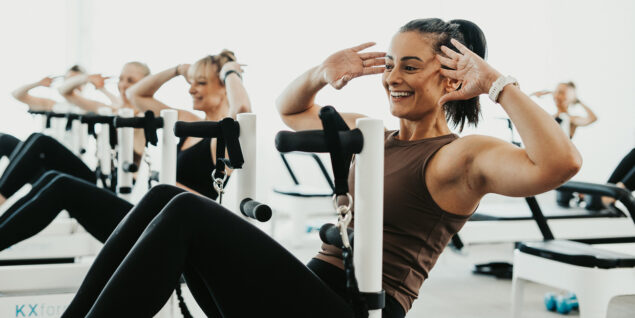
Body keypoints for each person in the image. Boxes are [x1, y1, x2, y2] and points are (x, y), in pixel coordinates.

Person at [60, 19, 581, 318]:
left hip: (356, 310)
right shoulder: (371, 133)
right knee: (164, 200)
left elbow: (559, 163)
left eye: (411, 65)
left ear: (450, 79)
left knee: (186, 214)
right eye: (390, 64)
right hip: (315, 289)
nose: (392, 77)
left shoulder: (460, 156)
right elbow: (291, 109)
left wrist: (496, 83)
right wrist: (319, 73)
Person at [0, 51, 250, 257]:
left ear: (223, 88)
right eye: (192, 82)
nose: (191, 89)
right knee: (52, 178)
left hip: (166, 229)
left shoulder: (224, 136)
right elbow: (136, 95)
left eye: (201, 83)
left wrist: (230, 71)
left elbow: (243, 110)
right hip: (148, 214)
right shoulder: (189, 123)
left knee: (61, 185)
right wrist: (176, 70)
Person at [0, 62, 150, 206]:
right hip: (96, 179)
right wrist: (88, 79)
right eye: (121, 79)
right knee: (9, 139)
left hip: (110, 189)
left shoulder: (143, 115)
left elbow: (125, 109)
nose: (123, 84)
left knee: (41, 141)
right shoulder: (110, 109)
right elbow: (63, 90)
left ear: (145, 83)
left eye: (130, 80)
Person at [531, 82, 597, 139]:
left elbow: (592, 118)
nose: (556, 95)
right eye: (555, 92)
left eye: (561, 93)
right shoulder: (549, 117)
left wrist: (578, 101)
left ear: (570, 98)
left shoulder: (571, 119)